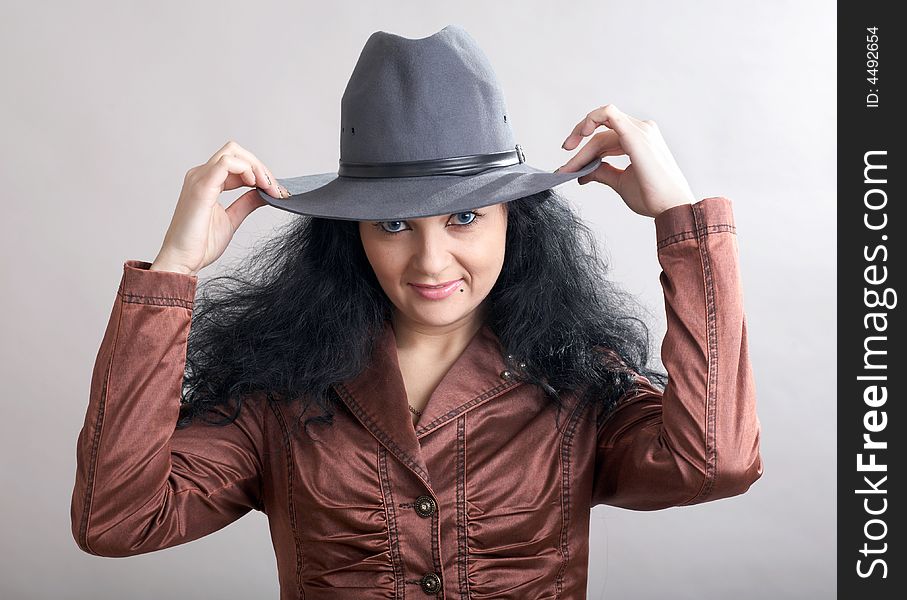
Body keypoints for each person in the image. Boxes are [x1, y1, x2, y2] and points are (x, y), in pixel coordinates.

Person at [71, 25, 762, 599]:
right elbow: (117, 520)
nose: (431, 263)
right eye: (394, 225)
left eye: (463, 217)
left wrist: (682, 222)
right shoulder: (276, 398)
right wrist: (172, 270)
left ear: (513, 222)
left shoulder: (578, 384)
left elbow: (715, 462)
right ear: (353, 234)